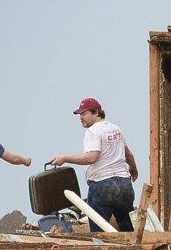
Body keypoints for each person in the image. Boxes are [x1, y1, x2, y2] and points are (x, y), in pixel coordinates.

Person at [50, 98, 139, 231]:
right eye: (80, 115)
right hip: (125, 185)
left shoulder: (93, 131)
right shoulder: (115, 129)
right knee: (127, 228)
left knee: (98, 233)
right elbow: (128, 154)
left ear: (96, 112)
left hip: (103, 185)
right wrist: (133, 168)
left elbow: (92, 157)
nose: (81, 118)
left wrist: (65, 158)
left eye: (84, 114)